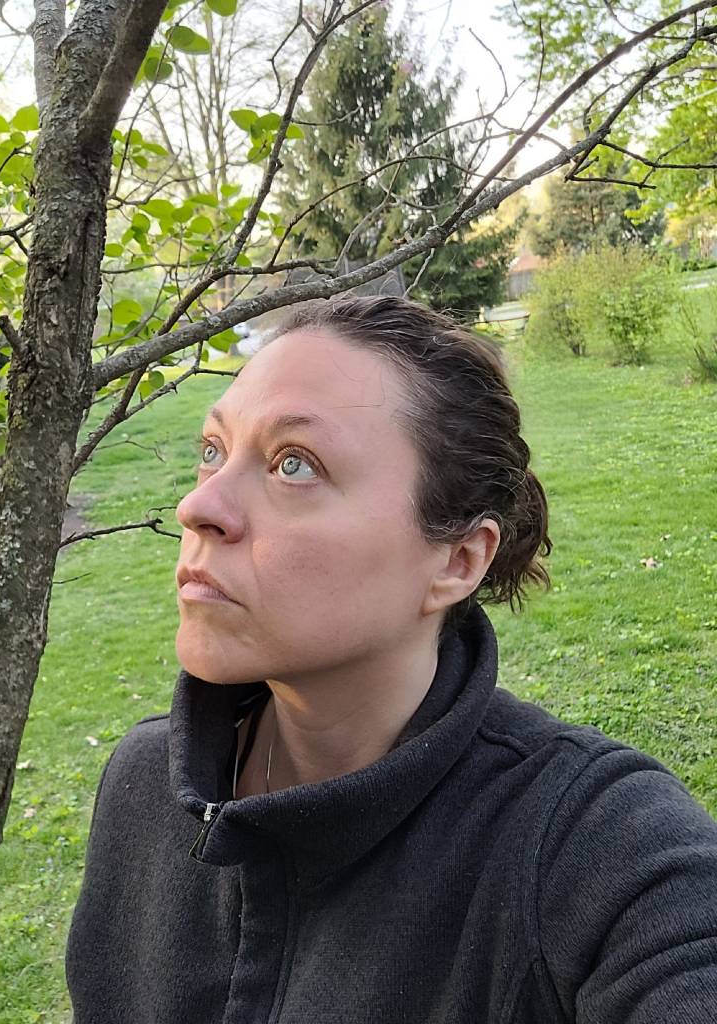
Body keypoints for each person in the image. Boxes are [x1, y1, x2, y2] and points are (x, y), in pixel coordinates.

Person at [65, 295, 717, 1023]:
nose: (199, 507)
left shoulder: (592, 844)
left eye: (293, 464)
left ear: (458, 561)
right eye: (214, 450)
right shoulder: (146, 785)